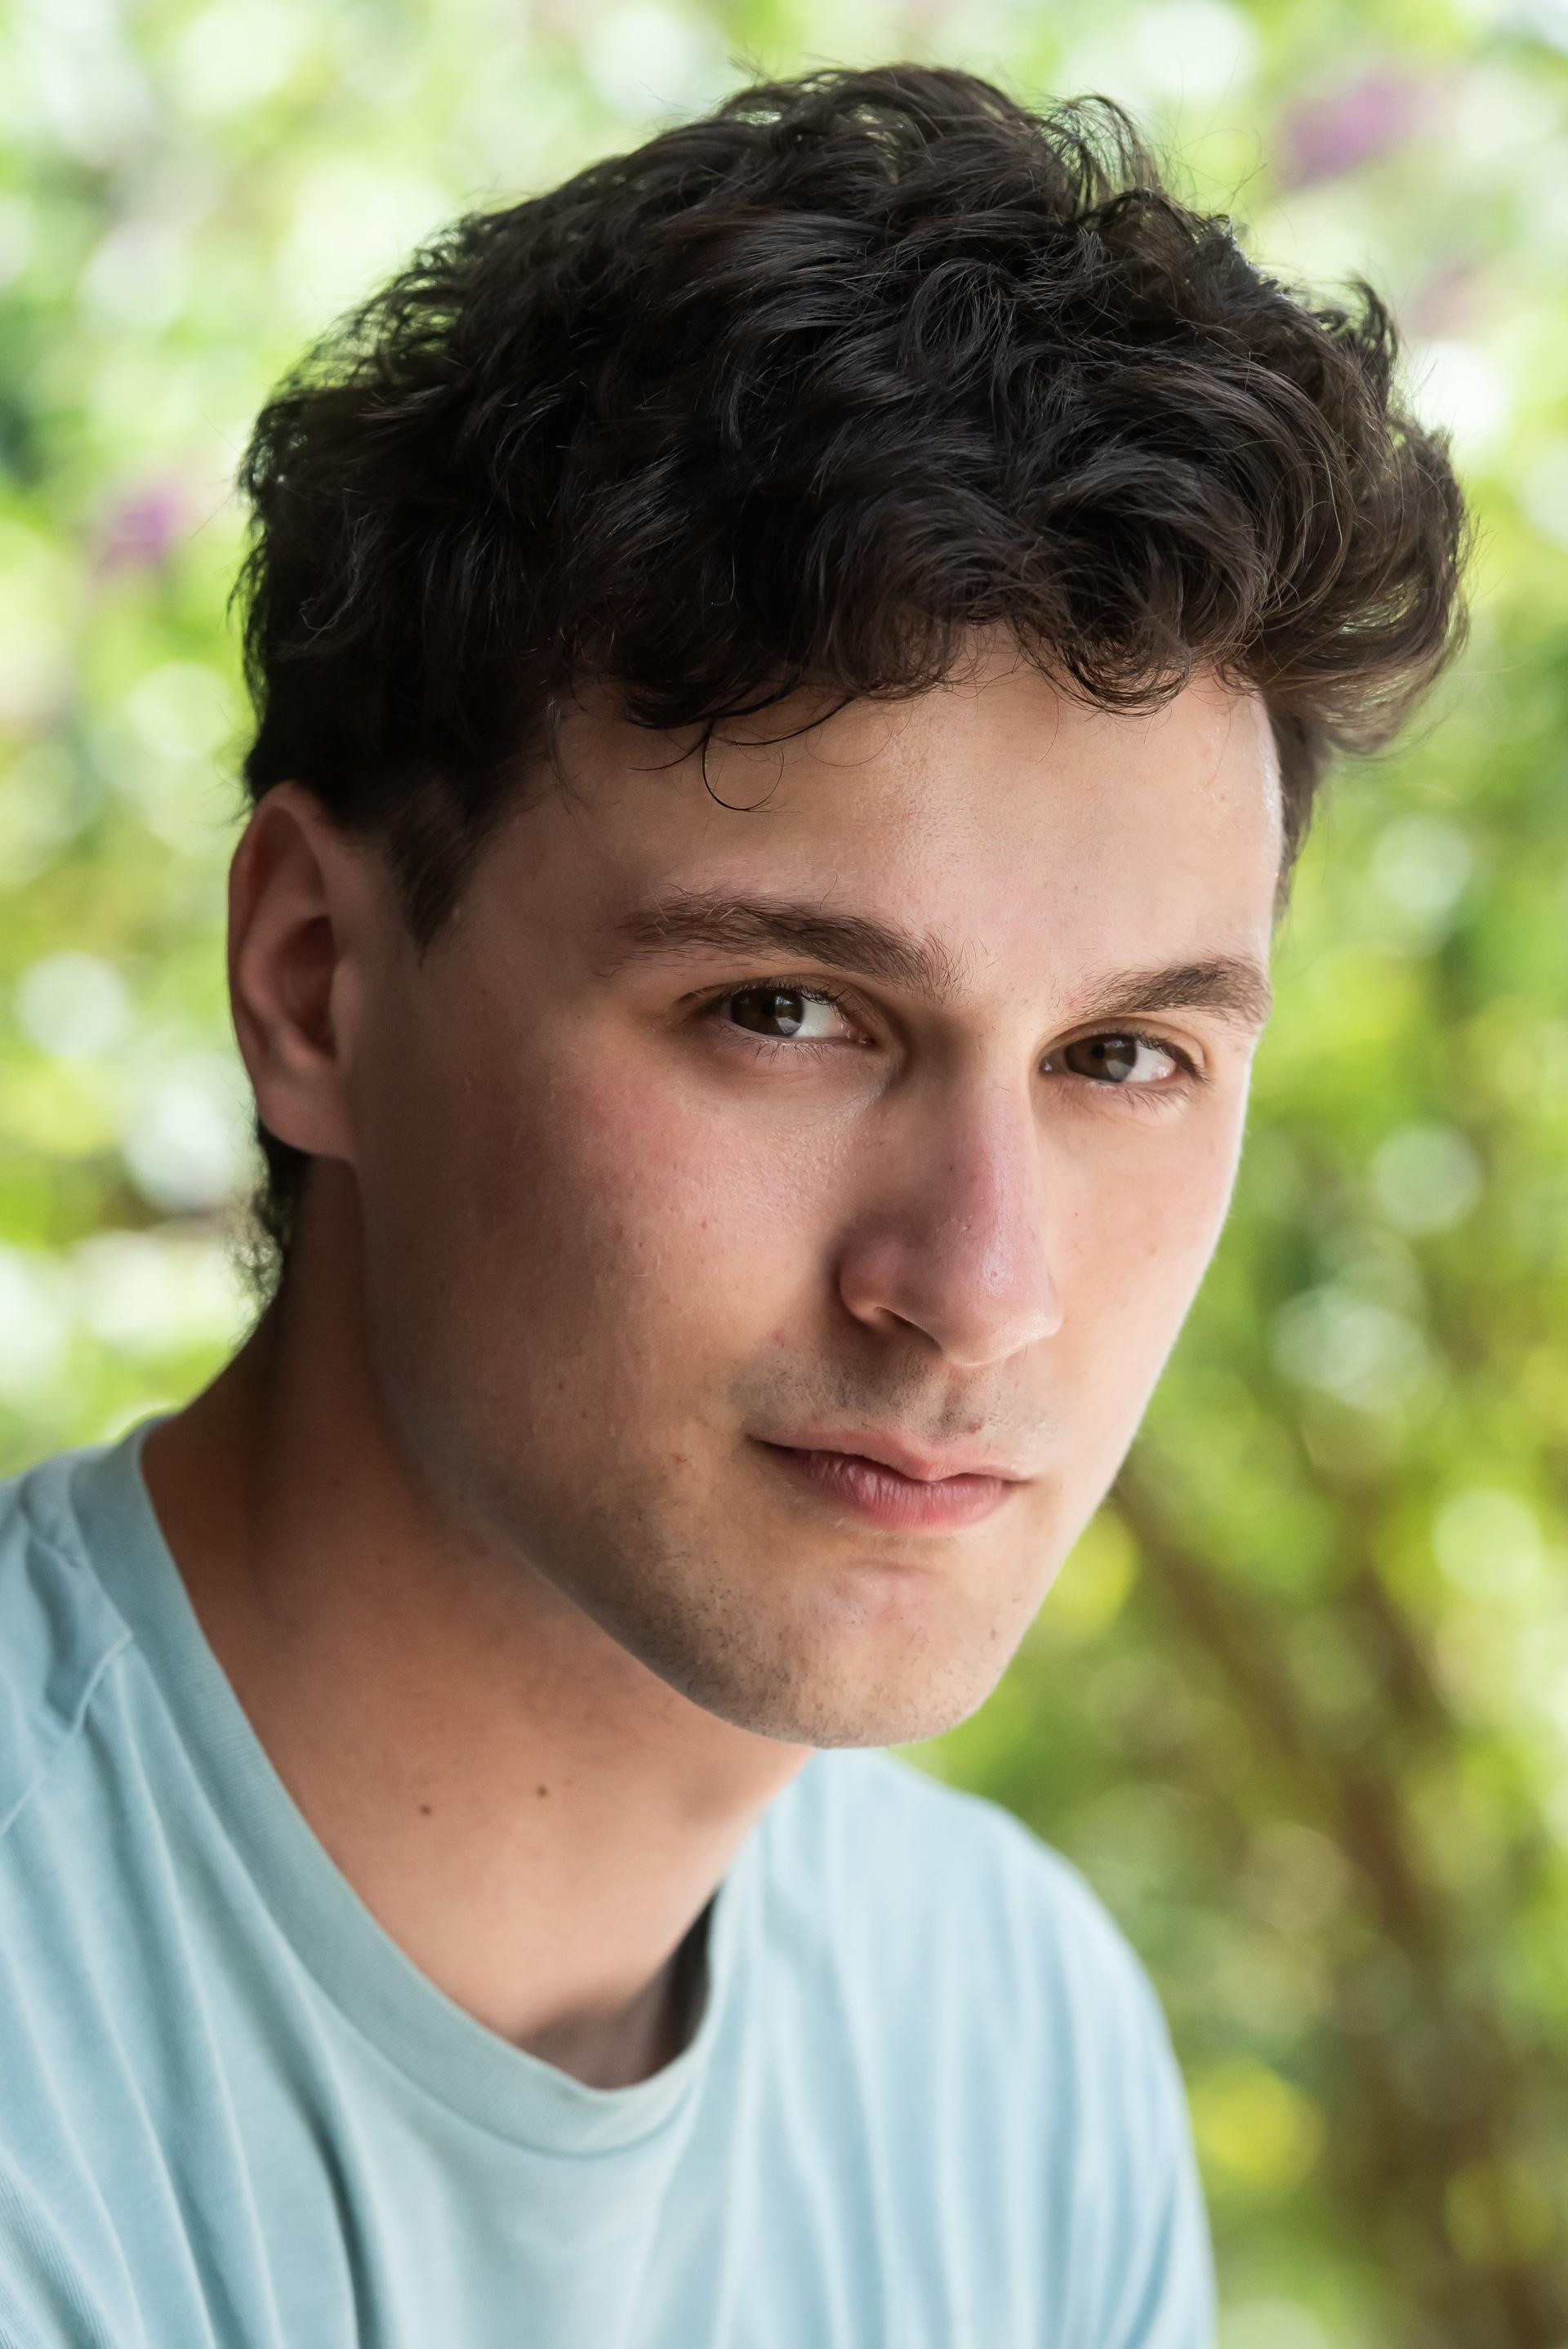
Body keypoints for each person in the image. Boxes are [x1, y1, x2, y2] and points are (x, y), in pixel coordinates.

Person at [0, 61, 1466, 2349]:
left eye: (1123, 1057)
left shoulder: (1017, 2053)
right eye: (786, 1011)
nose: (980, 1288)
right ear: (313, 983)